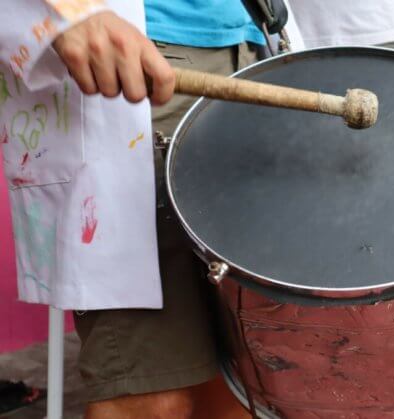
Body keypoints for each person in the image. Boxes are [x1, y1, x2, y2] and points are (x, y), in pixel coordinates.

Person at [1, 2, 270, 418]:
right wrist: (62, 11)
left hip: (249, 44)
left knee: (240, 388)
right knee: (149, 395)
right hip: (130, 54)